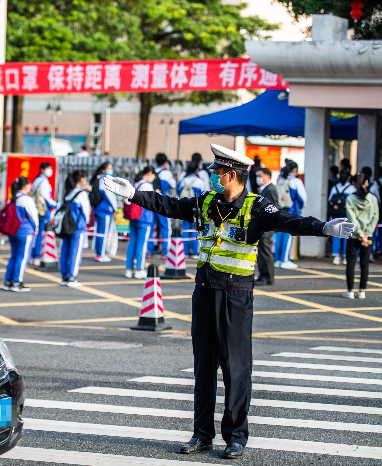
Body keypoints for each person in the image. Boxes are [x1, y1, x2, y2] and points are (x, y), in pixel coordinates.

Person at [103, 144, 354, 459]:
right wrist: (134, 195)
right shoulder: (206, 202)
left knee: (236, 368)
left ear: (231, 175)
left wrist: (324, 228)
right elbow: (170, 205)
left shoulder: (256, 207)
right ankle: (202, 434)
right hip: (205, 291)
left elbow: (290, 222)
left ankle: (235, 436)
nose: (212, 177)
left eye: (216, 172)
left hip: (235, 296)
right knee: (203, 367)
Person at [344, 172, 379, 299]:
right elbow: (375, 217)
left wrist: (359, 233)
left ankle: (350, 291)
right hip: (367, 236)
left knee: (350, 263)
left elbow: (352, 219)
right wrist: (366, 233)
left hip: (353, 235)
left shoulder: (350, 199)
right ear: (366, 183)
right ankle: (362, 290)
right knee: (365, 263)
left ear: (353, 183)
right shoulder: (373, 199)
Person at [4, 176, 39, 292]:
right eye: (29, 184)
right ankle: (17, 282)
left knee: (14, 257)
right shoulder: (26, 199)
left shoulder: (12, 199)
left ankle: (8, 281)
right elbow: (33, 215)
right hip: (24, 232)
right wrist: (37, 227)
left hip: (12, 231)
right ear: (25, 186)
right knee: (22, 257)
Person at [273, 160, 306, 269]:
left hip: (280, 210)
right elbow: (303, 199)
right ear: (295, 169)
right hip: (291, 211)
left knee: (280, 235)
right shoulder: (296, 181)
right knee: (288, 235)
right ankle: (285, 260)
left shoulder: (281, 179)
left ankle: (277, 259)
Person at [60, 170, 90, 286]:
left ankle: (64, 276)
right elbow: (86, 212)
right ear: (81, 179)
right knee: (75, 252)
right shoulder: (81, 194)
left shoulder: (68, 192)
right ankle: (72, 277)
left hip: (66, 227)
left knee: (65, 251)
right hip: (78, 228)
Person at [125, 167, 156, 279]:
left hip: (133, 217)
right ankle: (139, 269)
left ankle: (129, 269)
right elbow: (152, 202)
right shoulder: (147, 185)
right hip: (144, 218)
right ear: (149, 173)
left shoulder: (135, 183)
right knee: (142, 245)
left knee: (132, 243)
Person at [30, 162, 58, 266]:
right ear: (42, 169)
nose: (50, 171)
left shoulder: (37, 180)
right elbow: (47, 199)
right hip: (43, 210)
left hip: (36, 209)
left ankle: (33, 256)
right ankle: (37, 256)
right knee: (40, 234)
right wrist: (56, 205)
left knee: (35, 233)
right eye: (48, 168)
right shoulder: (44, 182)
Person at [255, 167, 279, 286]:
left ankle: (267, 277)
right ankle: (263, 275)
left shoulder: (270, 189)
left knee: (266, 252)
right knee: (262, 252)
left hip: (267, 226)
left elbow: (273, 208)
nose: (258, 178)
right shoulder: (265, 188)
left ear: (267, 176)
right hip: (262, 225)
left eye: (260, 175)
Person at [329, 169, 356, 265]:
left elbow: (330, 201)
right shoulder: (352, 189)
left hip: (336, 216)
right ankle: (345, 256)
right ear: (349, 177)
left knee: (336, 235)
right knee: (346, 235)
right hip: (347, 215)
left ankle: (336, 257)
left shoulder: (334, 188)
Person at [177, 162, 204, 259]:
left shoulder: (182, 181)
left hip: (184, 208)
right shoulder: (199, 181)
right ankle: (194, 252)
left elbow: (178, 192)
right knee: (195, 229)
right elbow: (204, 194)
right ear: (196, 170)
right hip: (196, 209)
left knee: (185, 230)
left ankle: (185, 251)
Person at [152, 152, 176, 257]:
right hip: (162, 202)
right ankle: (165, 251)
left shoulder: (151, 171)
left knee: (151, 226)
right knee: (165, 227)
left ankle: (150, 249)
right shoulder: (167, 173)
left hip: (151, 202)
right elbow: (172, 185)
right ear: (165, 162)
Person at [92, 162, 117, 262]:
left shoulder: (99, 179)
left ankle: (99, 253)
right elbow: (109, 196)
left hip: (99, 210)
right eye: (109, 168)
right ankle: (101, 254)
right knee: (103, 233)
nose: (111, 170)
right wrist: (114, 208)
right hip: (105, 211)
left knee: (100, 233)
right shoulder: (105, 180)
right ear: (103, 170)